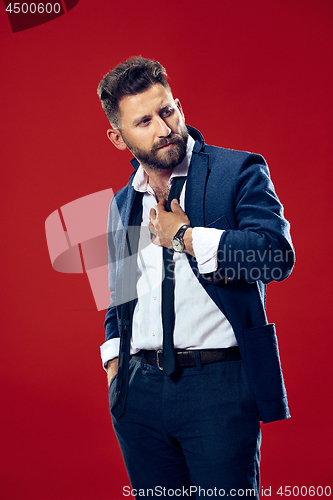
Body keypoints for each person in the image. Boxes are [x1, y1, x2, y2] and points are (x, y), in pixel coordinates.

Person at [97, 57, 294, 499]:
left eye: (167, 111)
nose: (163, 128)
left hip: (220, 388)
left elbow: (276, 257)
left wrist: (185, 237)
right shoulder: (121, 205)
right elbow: (118, 297)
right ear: (118, 137)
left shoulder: (236, 172)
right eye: (143, 121)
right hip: (139, 395)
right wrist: (115, 369)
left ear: (179, 106)